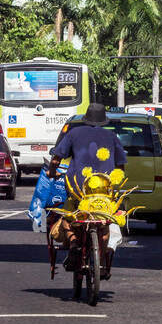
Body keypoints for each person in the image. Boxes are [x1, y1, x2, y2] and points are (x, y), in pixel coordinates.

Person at [47, 103, 128, 257]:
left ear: (86, 119)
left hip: (77, 190)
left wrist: (52, 172)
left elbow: (56, 160)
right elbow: (120, 167)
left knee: (67, 216)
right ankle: (102, 263)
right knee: (104, 226)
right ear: (104, 121)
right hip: (105, 192)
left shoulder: (73, 133)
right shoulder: (112, 137)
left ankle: (73, 242)